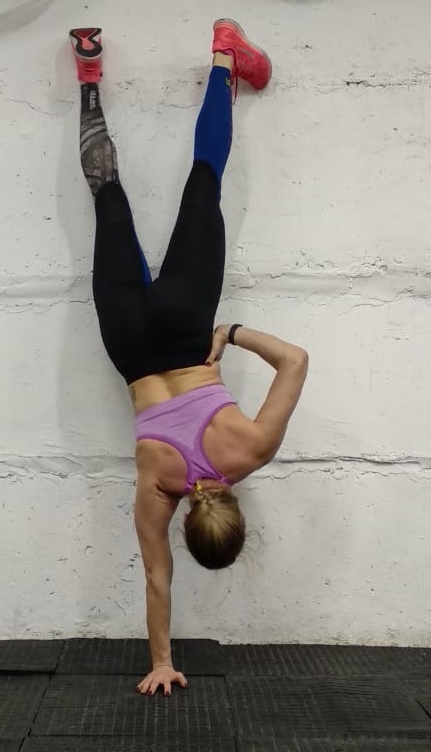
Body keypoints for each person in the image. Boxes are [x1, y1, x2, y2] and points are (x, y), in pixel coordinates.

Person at [69, 21, 308, 696]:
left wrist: (230, 332)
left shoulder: (251, 449)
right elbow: (155, 577)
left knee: (204, 182)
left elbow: (294, 361)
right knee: (107, 199)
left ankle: (224, 57)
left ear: (237, 513)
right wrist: (160, 661)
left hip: (185, 325)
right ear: (188, 525)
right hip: (129, 346)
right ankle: (88, 76)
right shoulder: (158, 488)